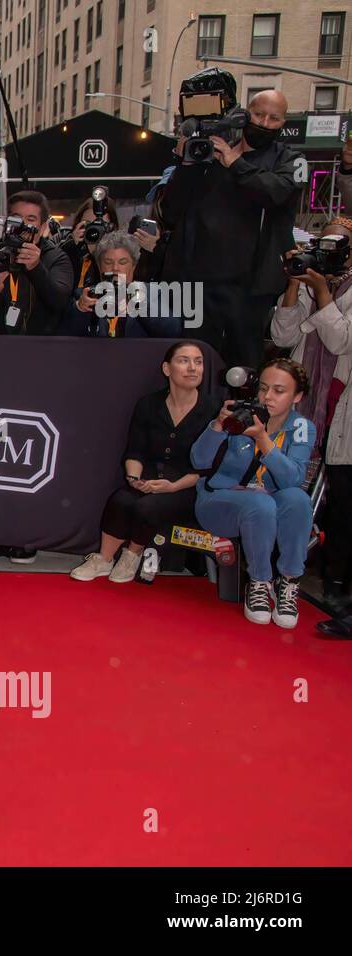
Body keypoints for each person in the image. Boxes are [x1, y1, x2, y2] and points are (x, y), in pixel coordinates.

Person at [160, 76, 303, 368]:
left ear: (283, 122)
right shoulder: (208, 150)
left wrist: (235, 164)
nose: (264, 122)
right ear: (243, 112)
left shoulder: (288, 159)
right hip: (197, 284)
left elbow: (277, 193)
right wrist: (186, 165)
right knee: (193, 361)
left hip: (250, 287)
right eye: (258, 113)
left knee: (244, 365)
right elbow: (170, 211)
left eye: (273, 118)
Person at [71, 342, 217, 582]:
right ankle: (104, 559)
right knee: (121, 499)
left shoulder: (213, 410)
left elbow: (210, 466)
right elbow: (135, 451)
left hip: (189, 485)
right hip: (150, 476)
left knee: (147, 506)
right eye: (184, 360)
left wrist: (173, 486)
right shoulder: (149, 404)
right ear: (167, 368)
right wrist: (134, 479)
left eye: (198, 362)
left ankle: (132, 555)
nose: (192, 368)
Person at [191, 359, 315, 627]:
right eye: (263, 388)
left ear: (298, 396)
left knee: (298, 500)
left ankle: (289, 582)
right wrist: (217, 426)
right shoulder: (243, 414)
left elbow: (292, 478)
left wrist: (263, 440)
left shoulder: (302, 427)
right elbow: (199, 461)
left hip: (267, 506)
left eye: (279, 391)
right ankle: (259, 581)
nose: (267, 397)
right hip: (219, 502)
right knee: (260, 503)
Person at [270, 217, 352, 603]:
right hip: (303, 396)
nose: (327, 251)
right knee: (294, 482)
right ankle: (282, 565)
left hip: (341, 403)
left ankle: (330, 579)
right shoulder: (308, 276)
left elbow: (339, 342)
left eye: (337, 245)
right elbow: (282, 335)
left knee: (342, 500)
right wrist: (294, 279)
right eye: (323, 243)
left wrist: (322, 292)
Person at [0, 189, 74, 334]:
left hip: (42, 347)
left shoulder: (56, 258)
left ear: (42, 227)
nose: (23, 226)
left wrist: (36, 268)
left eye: (30, 220)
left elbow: (60, 303)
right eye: (16, 219)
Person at [63, 232, 184, 337]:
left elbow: (173, 331)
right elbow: (64, 335)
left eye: (123, 262)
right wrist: (80, 308)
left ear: (134, 266)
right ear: (99, 267)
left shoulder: (152, 292)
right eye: (108, 262)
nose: (115, 268)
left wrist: (138, 304)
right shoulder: (85, 295)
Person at [60, 194, 120, 294]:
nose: (94, 231)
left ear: (112, 227)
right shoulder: (73, 253)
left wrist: (99, 255)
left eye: (100, 225)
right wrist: (71, 247)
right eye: (88, 224)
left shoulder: (123, 256)